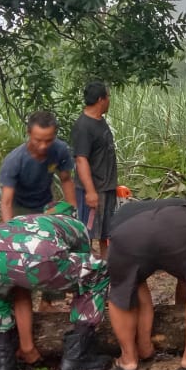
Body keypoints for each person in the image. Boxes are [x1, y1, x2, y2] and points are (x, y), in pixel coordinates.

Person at [0, 203, 112, 370]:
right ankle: (76, 358)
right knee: (97, 271)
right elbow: (81, 273)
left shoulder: (25, 221)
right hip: (37, 257)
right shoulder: (75, 225)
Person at [105, 198, 186, 370]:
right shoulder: (182, 206)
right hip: (180, 230)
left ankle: (129, 359)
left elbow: (128, 284)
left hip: (128, 234)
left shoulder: (124, 211)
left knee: (124, 288)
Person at [0, 111, 77, 222]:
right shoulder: (14, 161)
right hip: (20, 210)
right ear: (29, 133)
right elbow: (6, 202)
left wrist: (73, 213)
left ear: (55, 135)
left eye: (49, 140)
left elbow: (66, 180)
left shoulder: (60, 150)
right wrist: (10, 228)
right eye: (38, 140)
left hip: (47, 207)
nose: (43, 146)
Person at [71, 81, 118, 258]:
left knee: (106, 234)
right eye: (108, 97)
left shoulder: (100, 121)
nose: (109, 100)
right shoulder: (84, 126)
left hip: (106, 188)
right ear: (101, 99)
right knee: (87, 235)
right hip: (93, 190)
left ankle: (107, 269)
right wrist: (90, 192)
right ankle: (87, 272)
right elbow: (81, 160)